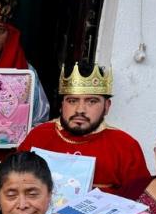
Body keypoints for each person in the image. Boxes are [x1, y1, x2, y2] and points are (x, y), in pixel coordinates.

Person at [18, 63, 148, 194]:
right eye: (72, 101)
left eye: (91, 101)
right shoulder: (39, 136)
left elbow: (141, 197)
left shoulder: (125, 146)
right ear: (61, 105)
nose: (80, 110)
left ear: (107, 106)